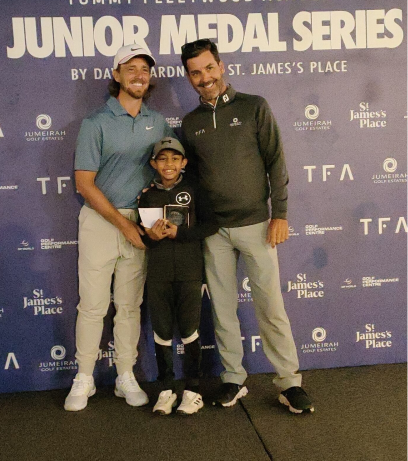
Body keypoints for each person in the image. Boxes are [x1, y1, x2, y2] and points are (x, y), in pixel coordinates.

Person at [180, 39, 314, 414]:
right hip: (214, 232)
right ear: (188, 77)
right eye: (195, 72)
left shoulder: (254, 106)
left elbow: (276, 162)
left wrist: (281, 213)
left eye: (209, 68)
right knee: (222, 309)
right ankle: (233, 378)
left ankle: (289, 383)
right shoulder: (190, 124)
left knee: (270, 305)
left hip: (258, 225)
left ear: (221, 66)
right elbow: (190, 180)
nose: (204, 78)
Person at [64, 44, 173, 412]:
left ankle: (125, 375)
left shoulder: (157, 122)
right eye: (131, 68)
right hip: (100, 221)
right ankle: (84, 377)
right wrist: (123, 226)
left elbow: (171, 168)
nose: (140, 75)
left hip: (141, 221)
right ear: (116, 75)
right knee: (93, 306)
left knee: (129, 306)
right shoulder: (95, 122)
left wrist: (153, 204)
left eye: (145, 69)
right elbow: (84, 183)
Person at [138, 137, 219, 415]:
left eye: (175, 159)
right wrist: (151, 236)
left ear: (184, 163)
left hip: (189, 272)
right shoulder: (147, 195)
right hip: (159, 273)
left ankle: (193, 390)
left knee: (189, 330)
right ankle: (166, 389)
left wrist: (179, 233)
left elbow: (211, 224)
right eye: (162, 159)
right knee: (161, 331)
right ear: (153, 163)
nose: (168, 164)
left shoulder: (195, 190)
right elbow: (145, 238)